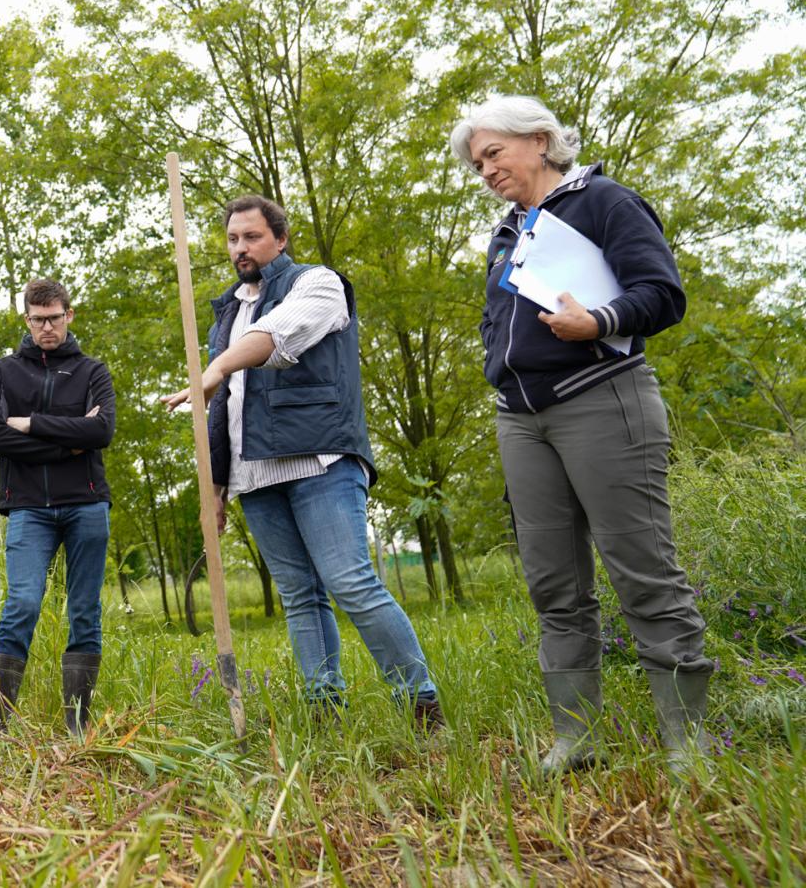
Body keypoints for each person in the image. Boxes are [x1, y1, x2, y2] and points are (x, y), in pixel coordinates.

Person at [451, 95, 712, 774]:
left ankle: (688, 741)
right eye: (477, 163)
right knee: (553, 586)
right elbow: (498, 318)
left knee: (644, 572)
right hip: (521, 418)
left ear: (539, 141)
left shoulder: (605, 202)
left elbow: (662, 293)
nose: (485, 171)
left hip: (601, 400)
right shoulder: (508, 230)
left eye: (493, 154)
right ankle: (575, 738)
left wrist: (597, 321)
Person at [163, 195, 442, 727]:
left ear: (280, 239)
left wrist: (215, 366)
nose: (241, 248)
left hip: (319, 462)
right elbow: (223, 407)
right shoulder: (228, 311)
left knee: (351, 582)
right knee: (299, 596)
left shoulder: (318, 284)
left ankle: (420, 701)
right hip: (255, 474)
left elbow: (276, 339)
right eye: (232, 239)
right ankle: (323, 710)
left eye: (252, 236)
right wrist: (217, 488)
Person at [0, 278, 117, 736]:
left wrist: (32, 425)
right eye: (38, 320)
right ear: (27, 320)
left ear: (69, 315)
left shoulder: (93, 372)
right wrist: (68, 439)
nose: (47, 328)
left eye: (54, 318)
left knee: (84, 609)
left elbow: (102, 434)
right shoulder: (2, 373)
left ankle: (77, 724)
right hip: (28, 509)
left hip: (86, 504)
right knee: (21, 602)